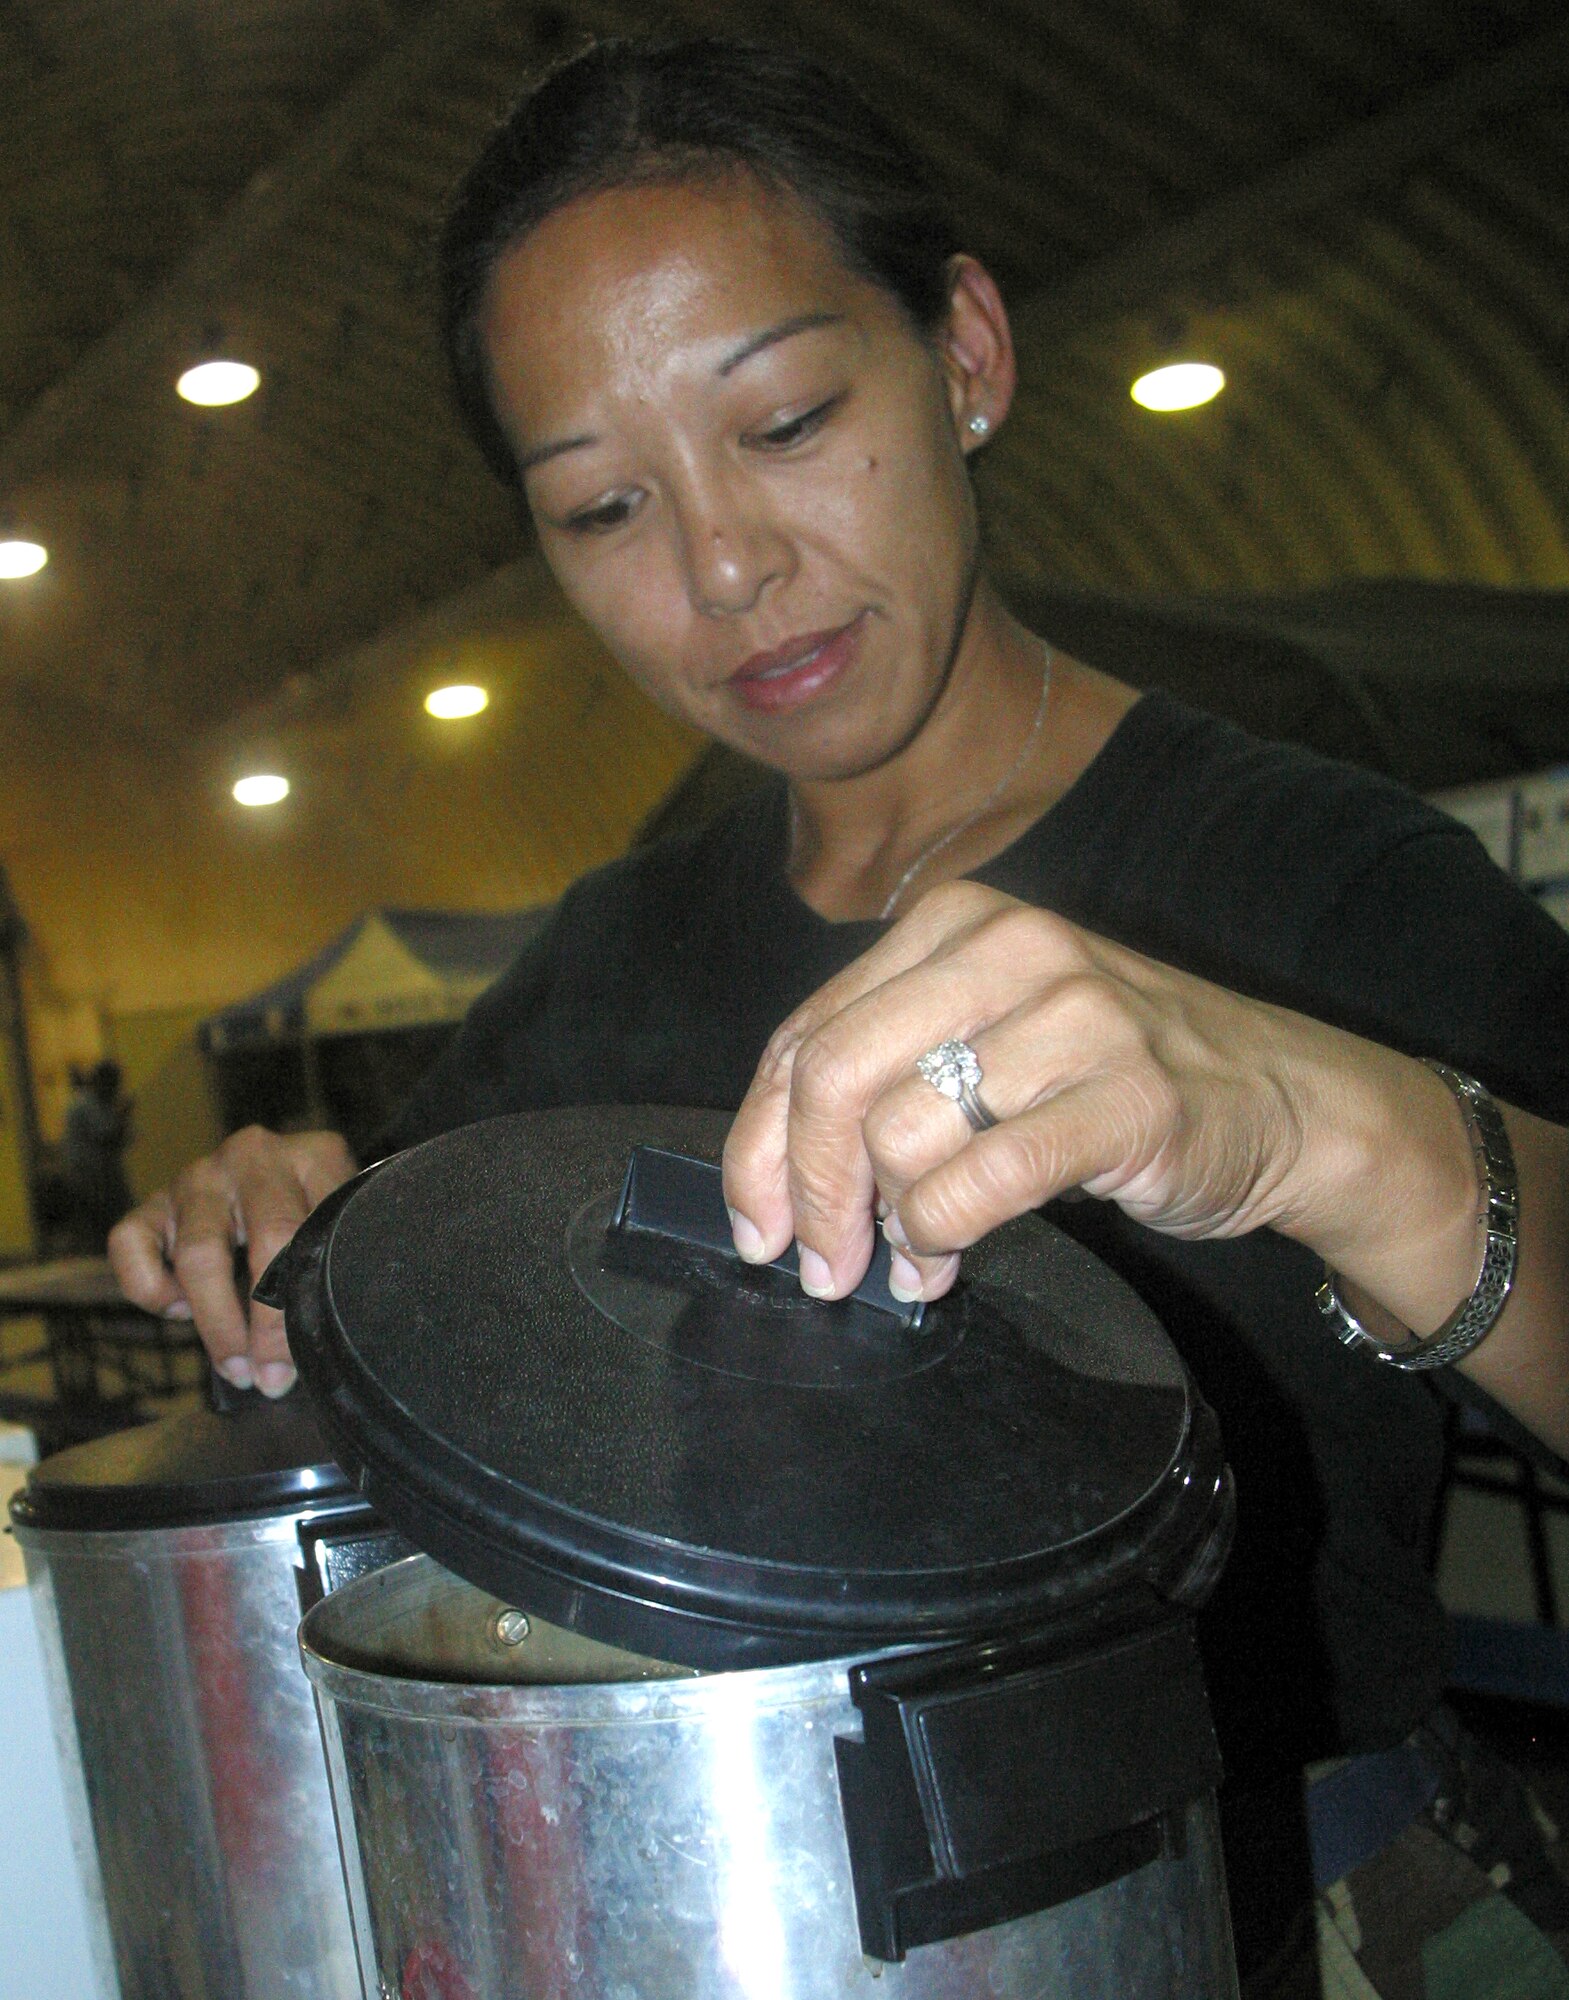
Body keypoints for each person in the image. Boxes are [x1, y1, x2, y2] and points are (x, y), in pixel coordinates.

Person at [111, 36, 1569, 1995]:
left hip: (1292, 1897)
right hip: (731, 1901)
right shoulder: (602, 966)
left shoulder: (1313, 878)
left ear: (961, 353)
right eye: (603, 508)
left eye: (788, 418)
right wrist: (292, 1238)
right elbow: (412, 1355)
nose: (724, 567)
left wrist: (1323, 1126)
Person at [63, 1058, 133, 1252]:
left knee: (109, 1211)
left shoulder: (98, 1103)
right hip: (90, 1171)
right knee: (101, 1212)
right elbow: (105, 1137)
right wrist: (123, 1116)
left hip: (100, 1169)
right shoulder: (87, 1105)